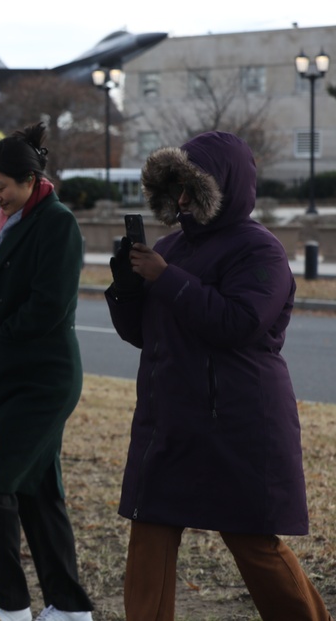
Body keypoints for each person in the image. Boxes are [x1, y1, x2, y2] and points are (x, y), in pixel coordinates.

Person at [106, 131, 333, 621]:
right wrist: (126, 288)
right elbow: (143, 334)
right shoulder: (171, 245)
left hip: (237, 420)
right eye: (176, 187)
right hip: (170, 417)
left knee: (254, 542)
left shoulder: (261, 251)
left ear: (223, 186)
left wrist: (165, 278)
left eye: (191, 187)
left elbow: (239, 323)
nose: (182, 199)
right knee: (150, 537)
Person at [0, 123, 94, 621]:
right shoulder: (10, 223)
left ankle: (8, 604)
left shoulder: (56, 223)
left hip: (41, 381)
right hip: (8, 378)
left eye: (1, 188)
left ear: (31, 179)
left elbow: (49, 305)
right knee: (41, 491)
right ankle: (69, 607)